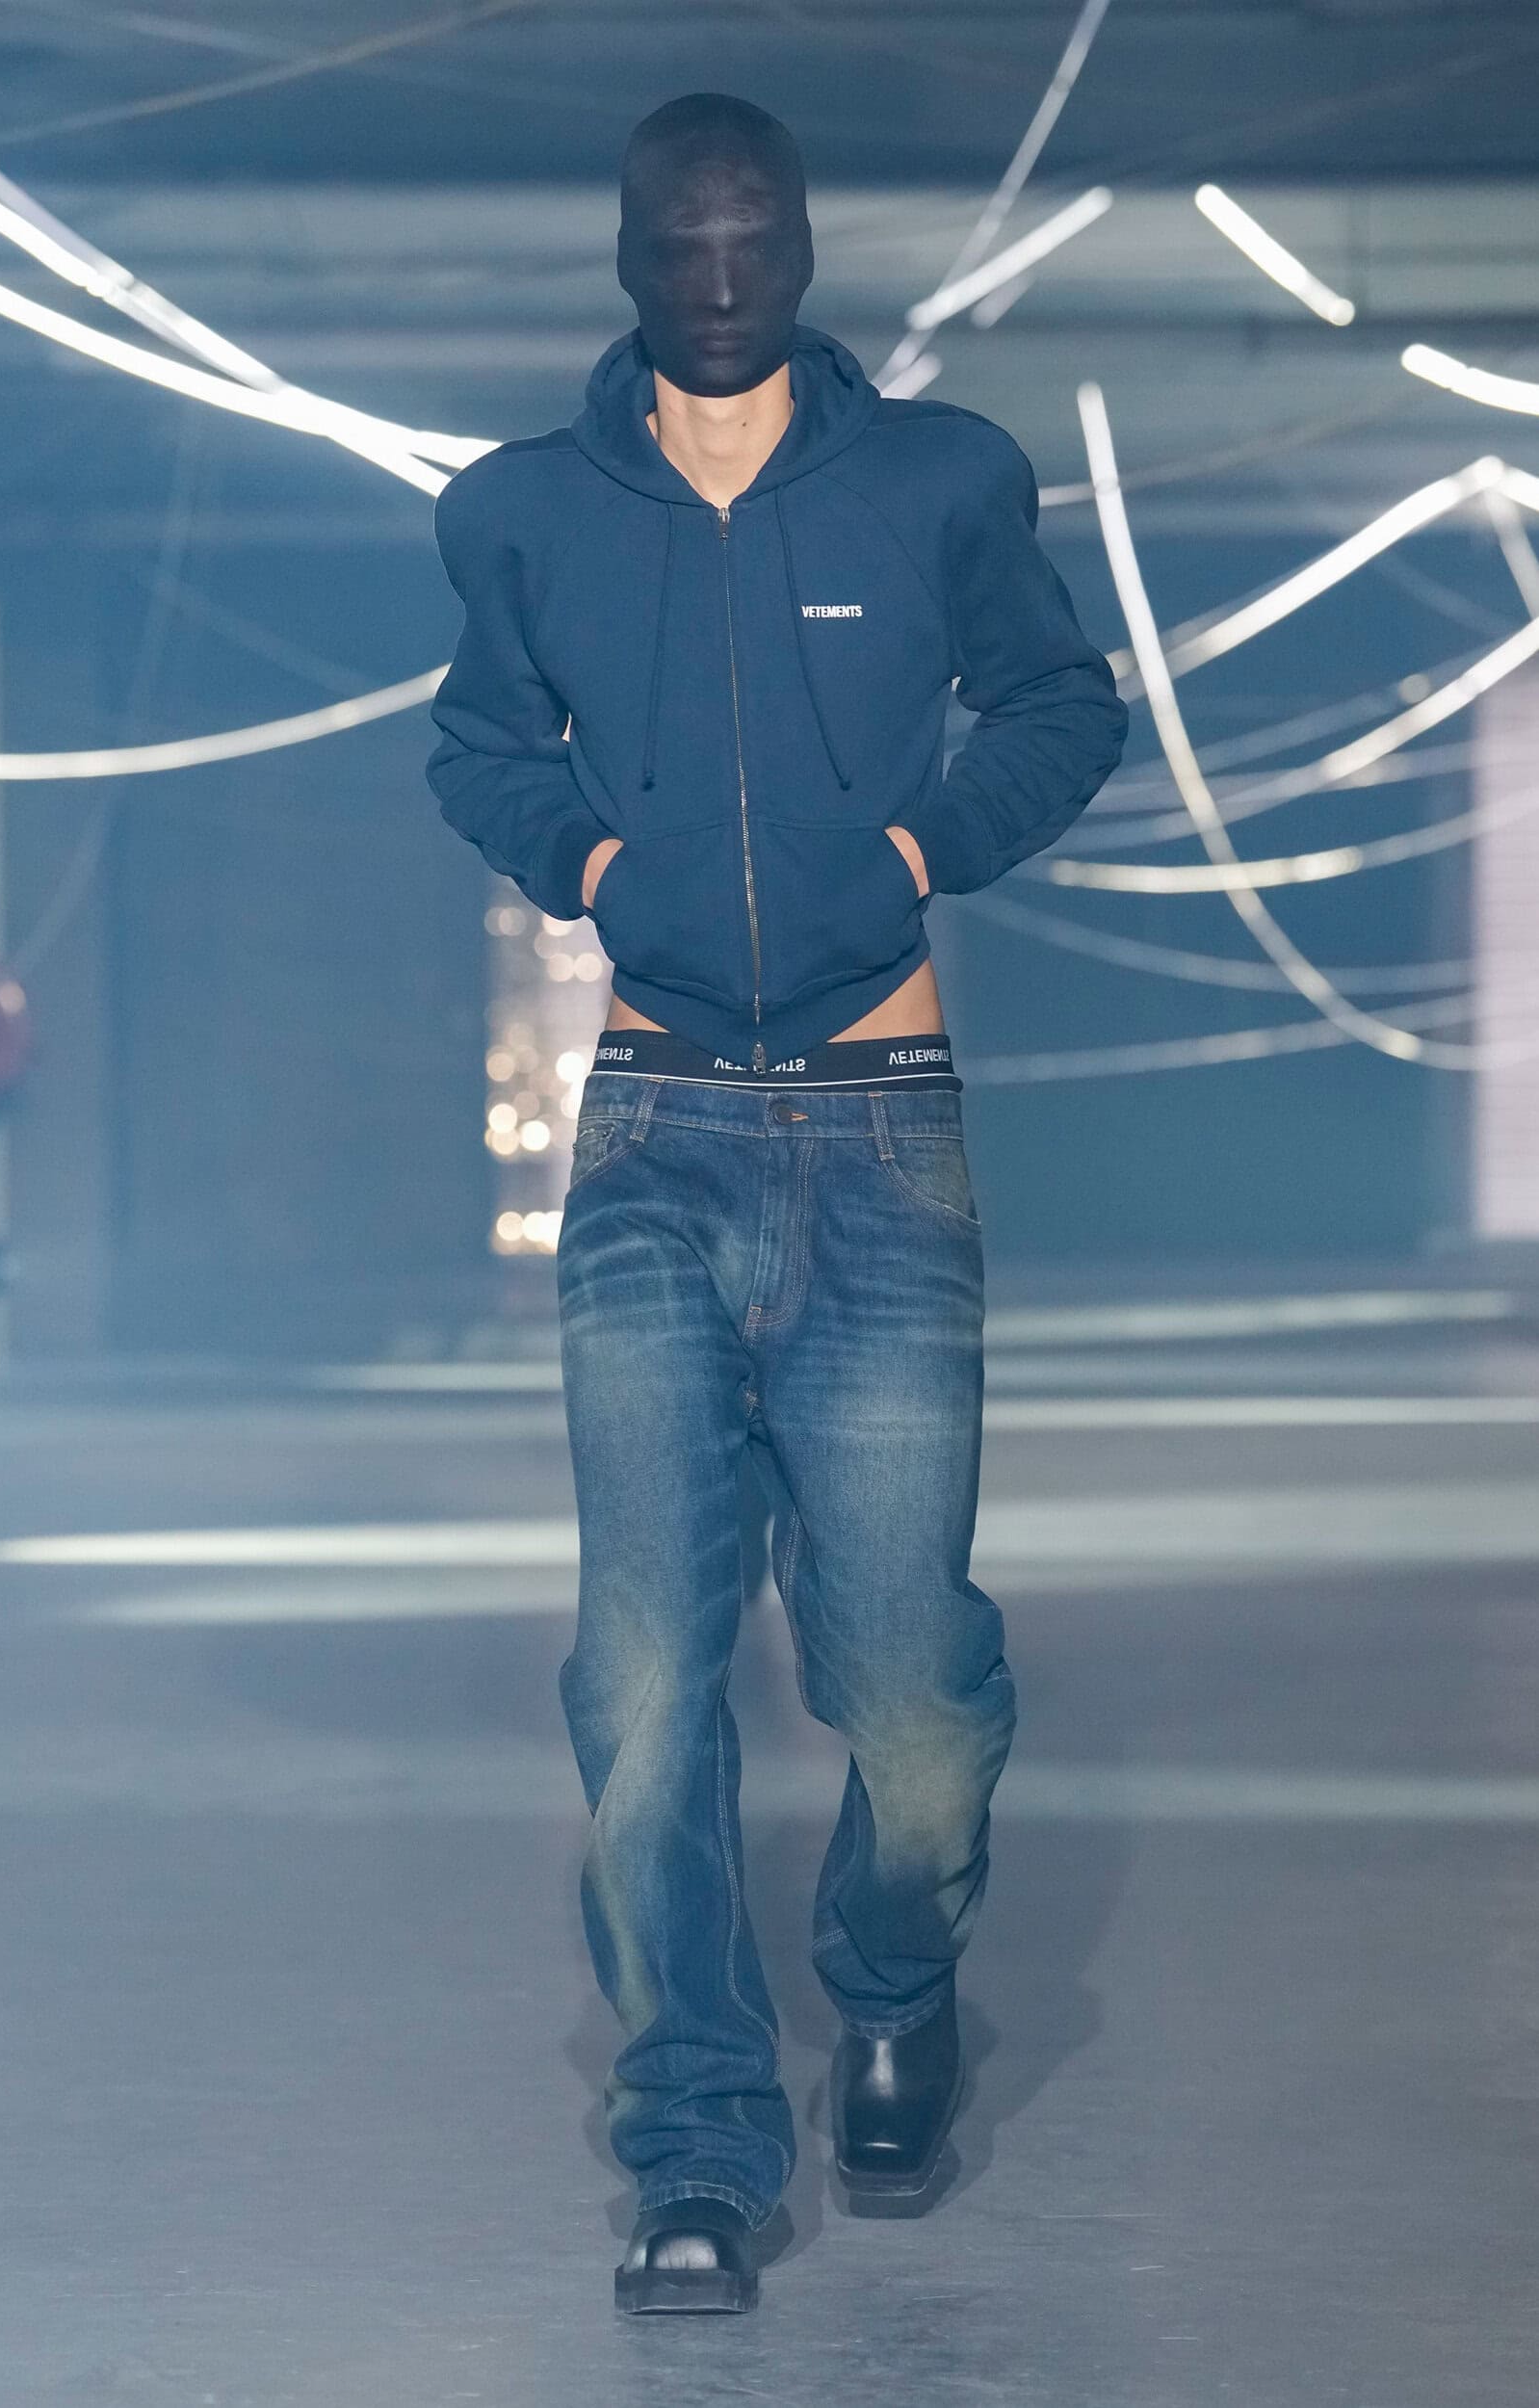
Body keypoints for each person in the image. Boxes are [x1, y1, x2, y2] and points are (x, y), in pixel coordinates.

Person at [427, 91, 1128, 2315]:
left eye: (757, 243)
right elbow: (477, 746)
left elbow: (1062, 703)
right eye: (685, 246)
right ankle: (700, 2143)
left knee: (908, 1685)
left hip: (882, 1126)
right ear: (633, 257)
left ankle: (895, 1971)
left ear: (806, 251)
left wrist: (913, 849)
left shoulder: (939, 481)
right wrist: (593, 862)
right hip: (653, 1132)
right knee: (644, 1676)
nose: (722, 280)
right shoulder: (522, 514)